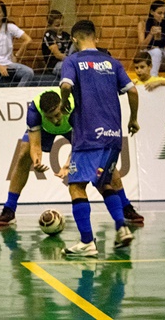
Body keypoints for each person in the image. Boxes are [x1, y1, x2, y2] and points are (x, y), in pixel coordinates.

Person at [0, 89, 144, 227]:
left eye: (57, 115)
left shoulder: (76, 108)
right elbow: (35, 146)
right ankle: (9, 209)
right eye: (50, 117)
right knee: (23, 155)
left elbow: (81, 146)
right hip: (45, 131)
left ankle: (125, 206)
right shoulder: (34, 111)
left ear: (63, 107)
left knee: (103, 162)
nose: (55, 120)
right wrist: (36, 161)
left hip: (74, 127)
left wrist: (67, 164)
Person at [60, 20, 139, 257]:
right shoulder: (113, 62)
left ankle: (87, 242)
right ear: (96, 37)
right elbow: (133, 91)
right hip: (113, 136)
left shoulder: (72, 61)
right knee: (105, 183)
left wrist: (64, 103)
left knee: (76, 186)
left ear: (74, 39)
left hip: (88, 136)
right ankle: (122, 228)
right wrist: (133, 120)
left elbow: (66, 86)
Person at [0, 0, 34, 87]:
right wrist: (0, 67)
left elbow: (28, 40)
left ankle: (17, 93)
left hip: (9, 63)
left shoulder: (10, 27)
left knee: (29, 72)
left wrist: (17, 55)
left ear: (3, 14)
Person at [137, 0, 165, 79]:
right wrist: (150, 34)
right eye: (159, 13)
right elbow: (141, 46)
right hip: (147, 51)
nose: (162, 16)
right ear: (152, 12)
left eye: (164, 13)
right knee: (156, 51)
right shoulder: (143, 24)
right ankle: (153, 77)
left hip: (162, 50)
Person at [42, 10, 72, 76]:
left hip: (67, 61)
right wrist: (73, 61)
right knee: (71, 68)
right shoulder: (48, 35)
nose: (61, 27)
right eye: (57, 25)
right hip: (55, 65)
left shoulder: (67, 35)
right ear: (50, 25)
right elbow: (57, 55)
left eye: (62, 24)